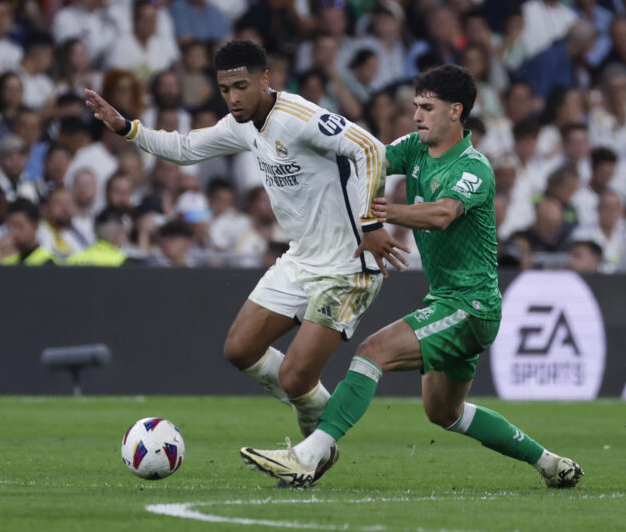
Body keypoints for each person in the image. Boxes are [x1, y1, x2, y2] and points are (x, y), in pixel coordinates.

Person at [240, 65, 583, 489]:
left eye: (427, 107)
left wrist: (384, 214)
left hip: (471, 305)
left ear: (455, 111)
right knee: (445, 413)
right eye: (415, 106)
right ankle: (549, 463)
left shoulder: (474, 168)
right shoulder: (415, 148)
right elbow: (370, 161)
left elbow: (443, 214)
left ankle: (309, 455)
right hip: (448, 301)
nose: (416, 115)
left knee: (373, 351)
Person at [85, 40, 407, 465]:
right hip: (301, 259)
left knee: (295, 377)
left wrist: (371, 223)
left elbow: (370, 149)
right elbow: (185, 148)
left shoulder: (298, 117)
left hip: (348, 264)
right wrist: (128, 128)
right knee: (239, 349)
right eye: (225, 89)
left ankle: (313, 449)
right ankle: (322, 434)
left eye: (241, 86)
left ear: (265, 79)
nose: (233, 97)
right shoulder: (241, 125)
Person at [0, 198, 57, 265]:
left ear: (35, 226)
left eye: (19, 226)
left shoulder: (48, 262)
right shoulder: (8, 259)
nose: (13, 232)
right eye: (10, 227)